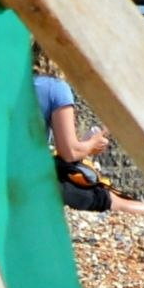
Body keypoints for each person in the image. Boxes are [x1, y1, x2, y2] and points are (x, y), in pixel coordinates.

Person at [34, 56, 115, 213]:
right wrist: (93, 143)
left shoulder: (5, 82)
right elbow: (70, 152)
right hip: (29, 181)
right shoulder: (54, 87)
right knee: (106, 197)